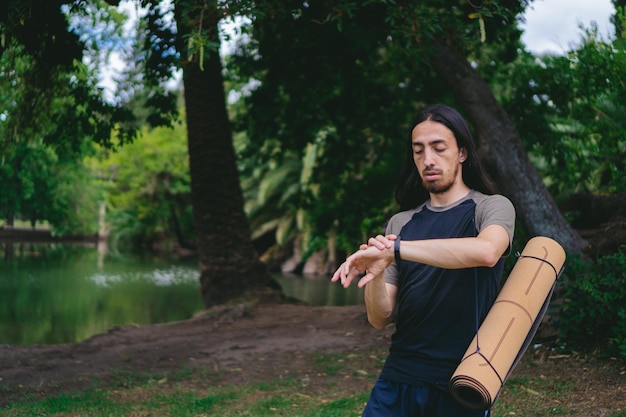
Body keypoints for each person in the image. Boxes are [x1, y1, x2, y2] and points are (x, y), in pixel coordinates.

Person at [331, 104, 515, 417]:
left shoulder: (491, 207)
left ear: (462, 153)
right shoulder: (401, 224)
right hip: (400, 376)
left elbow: (487, 252)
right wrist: (377, 271)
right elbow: (379, 318)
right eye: (418, 151)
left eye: (438, 148)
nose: (427, 160)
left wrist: (397, 250)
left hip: (464, 378)